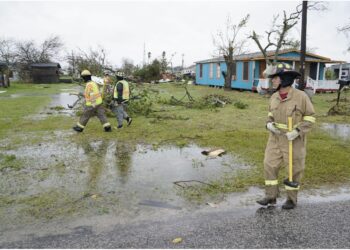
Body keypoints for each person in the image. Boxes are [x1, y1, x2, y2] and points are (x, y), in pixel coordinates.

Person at [256, 62, 316, 210]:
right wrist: (269, 124)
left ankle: (291, 199)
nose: (273, 80)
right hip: (275, 138)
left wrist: (297, 131)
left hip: (293, 140)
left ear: (286, 78)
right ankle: (271, 196)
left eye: (276, 78)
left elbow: (310, 117)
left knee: (293, 169)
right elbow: (270, 115)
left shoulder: (301, 96)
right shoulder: (274, 97)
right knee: (269, 165)